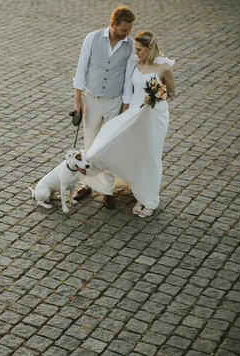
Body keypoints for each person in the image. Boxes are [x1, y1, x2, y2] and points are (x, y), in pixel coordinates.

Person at [81, 30, 176, 217]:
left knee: (150, 155)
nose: (136, 53)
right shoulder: (136, 64)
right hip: (133, 114)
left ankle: (148, 199)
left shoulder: (164, 69)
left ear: (149, 49)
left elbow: (172, 92)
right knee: (119, 145)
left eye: (140, 50)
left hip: (153, 117)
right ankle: (97, 177)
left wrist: (158, 95)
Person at [72, 6, 137, 209]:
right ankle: (86, 185)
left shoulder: (130, 45)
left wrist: (125, 108)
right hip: (92, 99)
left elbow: (128, 78)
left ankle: (107, 190)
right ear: (112, 24)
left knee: (109, 146)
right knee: (90, 144)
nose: (126, 34)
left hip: (115, 101)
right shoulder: (92, 38)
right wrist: (77, 99)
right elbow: (82, 68)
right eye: (123, 30)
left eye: (129, 30)